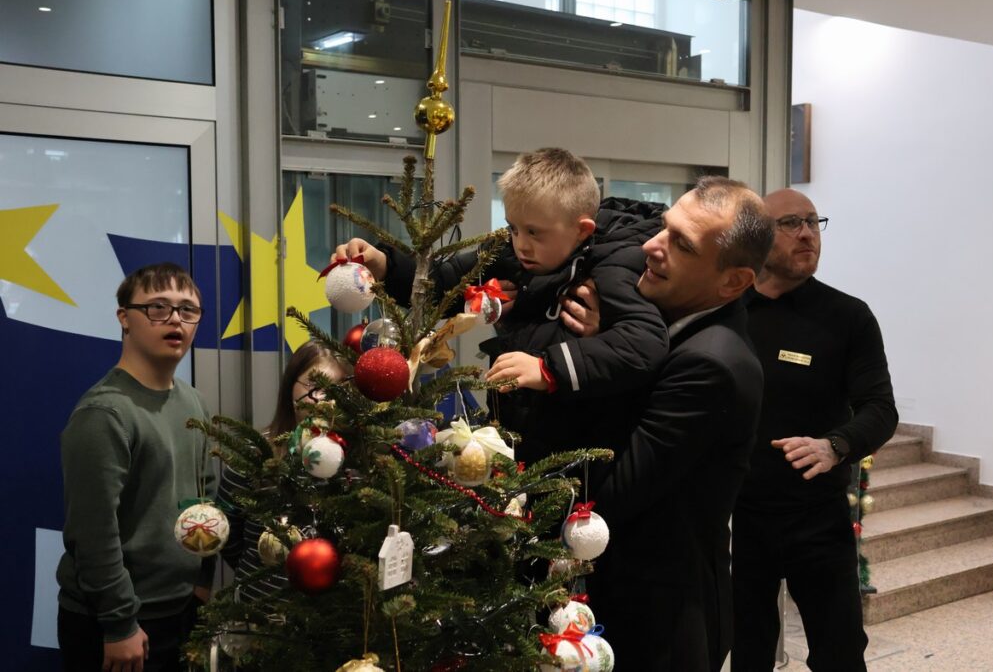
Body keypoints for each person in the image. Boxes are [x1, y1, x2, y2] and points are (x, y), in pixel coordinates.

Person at [335, 148, 669, 462]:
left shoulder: (612, 265)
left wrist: (546, 368)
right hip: (514, 439)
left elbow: (644, 342)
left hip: (577, 455)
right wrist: (384, 264)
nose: (520, 244)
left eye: (535, 233)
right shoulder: (509, 253)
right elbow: (443, 282)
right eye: (513, 228)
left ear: (582, 231)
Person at [586, 176, 775, 671]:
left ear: (733, 282)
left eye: (680, 244)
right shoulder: (664, 323)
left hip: (659, 622)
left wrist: (593, 362)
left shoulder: (713, 363)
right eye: (663, 228)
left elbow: (615, 492)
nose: (651, 245)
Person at [730, 188, 898, 671]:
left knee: (840, 650)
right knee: (748, 648)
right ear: (759, 236)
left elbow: (880, 409)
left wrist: (835, 445)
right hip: (738, 516)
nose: (806, 233)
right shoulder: (728, 310)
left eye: (813, 222)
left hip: (815, 515)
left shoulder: (847, 317)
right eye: (790, 224)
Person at [57, 262, 214, 672]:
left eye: (188, 309)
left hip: (179, 610)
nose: (175, 319)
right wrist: (120, 623)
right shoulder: (105, 412)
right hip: (114, 624)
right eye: (158, 307)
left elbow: (205, 500)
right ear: (125, 318)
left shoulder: (192, 401)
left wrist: (202, 580)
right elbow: (93, 533)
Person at [216, 341, 350, 602]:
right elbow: (227, 529)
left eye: (337, 389)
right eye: (314, 385)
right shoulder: (257, 453)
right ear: (291, 385)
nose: (324, 400)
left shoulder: (354, 459)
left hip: (333, 618)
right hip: (261, 612)